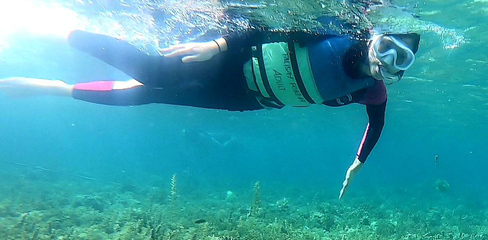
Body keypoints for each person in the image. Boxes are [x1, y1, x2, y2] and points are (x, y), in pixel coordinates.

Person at [0, 26, 420, 198]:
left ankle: (55, 88)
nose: (386, 61)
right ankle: (63, 28)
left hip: (244, 99)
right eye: (386, 48)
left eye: (398, 61)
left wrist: (358, 163)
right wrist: (218, 45)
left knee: (148, 94)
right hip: (233, 62)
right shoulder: (336, 36)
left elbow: (377, 122)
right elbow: (272, 30)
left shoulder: (373, 91)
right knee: (152, 71)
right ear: (373, 40)